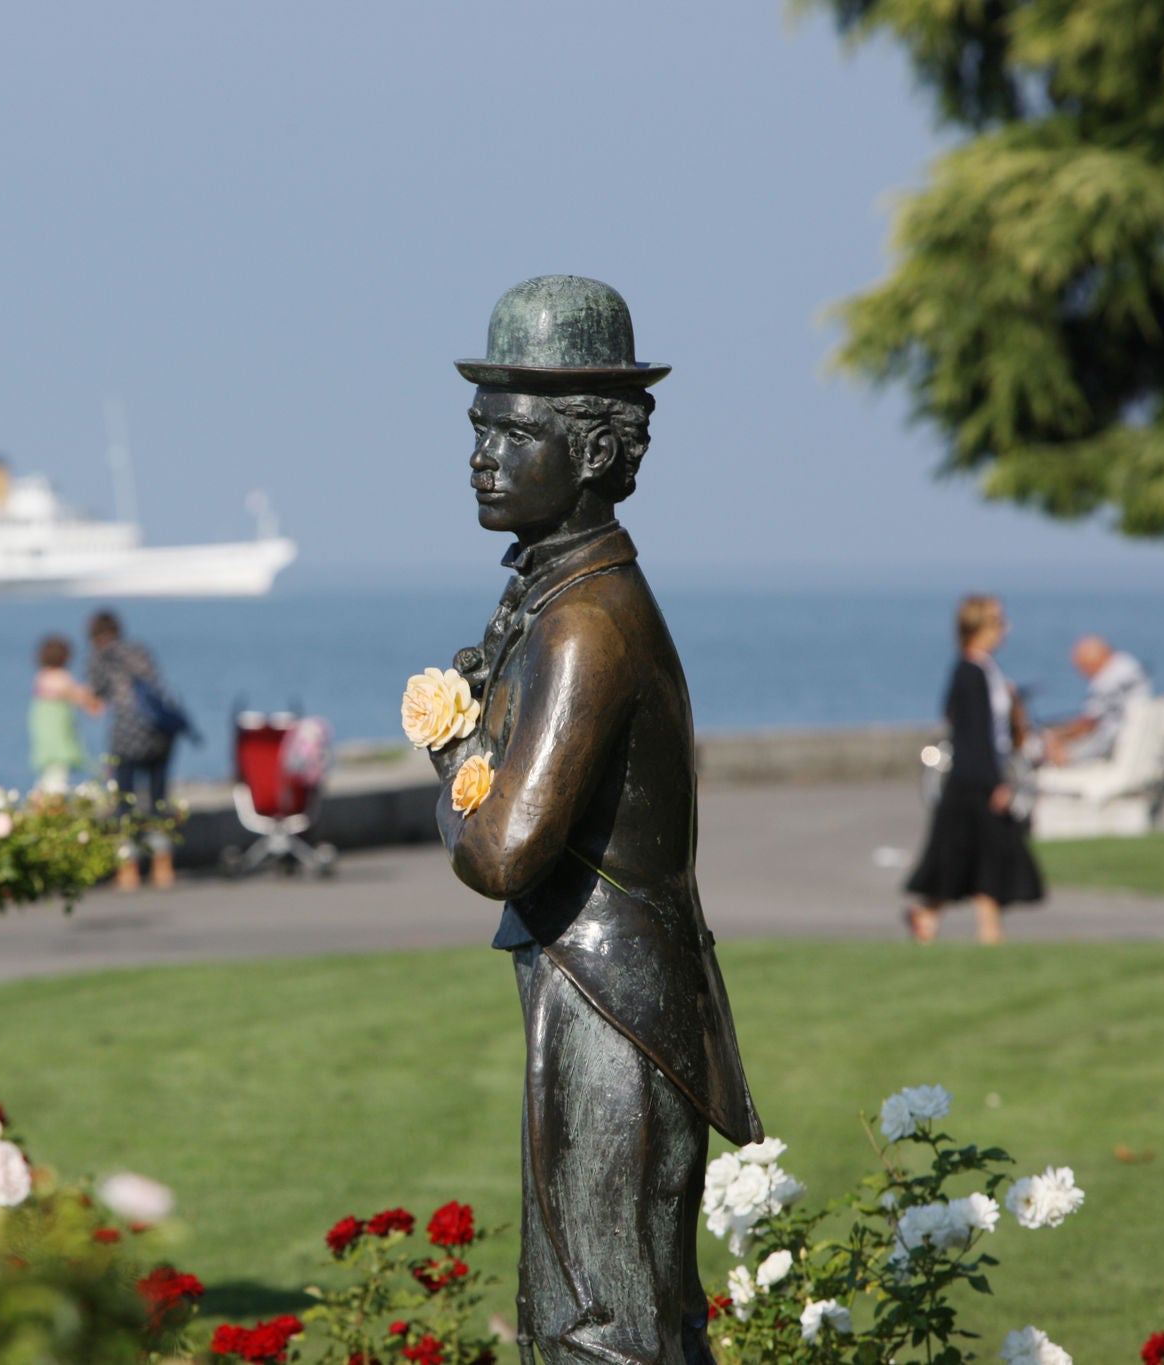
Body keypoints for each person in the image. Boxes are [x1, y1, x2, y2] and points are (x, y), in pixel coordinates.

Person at [430, 276, 761, 1365]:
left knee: (600, 1324)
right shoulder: (560, 597)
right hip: (594, 990)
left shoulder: (585, 623)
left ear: (594, 454)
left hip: (613, 1006)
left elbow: (500, 851)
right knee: (603, 1309)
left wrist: (454, 759)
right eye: (478, 429)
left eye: (511, 434)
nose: (480, 457)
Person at [904, 595, 1046, 944]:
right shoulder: (970, 672)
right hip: (973, 780)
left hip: (978, 777)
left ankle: (934, 917)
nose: (1005, 628)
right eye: (998, 621)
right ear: (979, 627)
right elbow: (974, 735)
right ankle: (986, 930)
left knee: (968, 856)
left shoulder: (986, 670)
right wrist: (996, 782)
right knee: (980, 855)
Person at [86, 609, 178, 890]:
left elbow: (96, 700)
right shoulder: (139, 650)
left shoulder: (100, 658)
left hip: (127, 738)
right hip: (161, 733)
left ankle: (129, 869)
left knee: (124, 803)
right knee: (158, 801)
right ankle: (163, 866)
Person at [1044, 635, 1152, 765]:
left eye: (1082, 667)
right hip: (1132, 739)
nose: (1083, 673)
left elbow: (1089, 723)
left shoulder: (1107, 680)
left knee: (1055, 755)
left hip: (1113, 744)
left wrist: (1059, 735)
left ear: (1093, 661)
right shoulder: (1128, 665)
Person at [28, 634, 102, 794]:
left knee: (49, 774)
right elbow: (80, 697)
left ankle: (41, 798)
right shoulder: (62, 677)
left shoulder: (41, 677)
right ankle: (53, 802)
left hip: (44, 740)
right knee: (58, 778)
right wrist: (95, 699)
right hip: (59, 739)